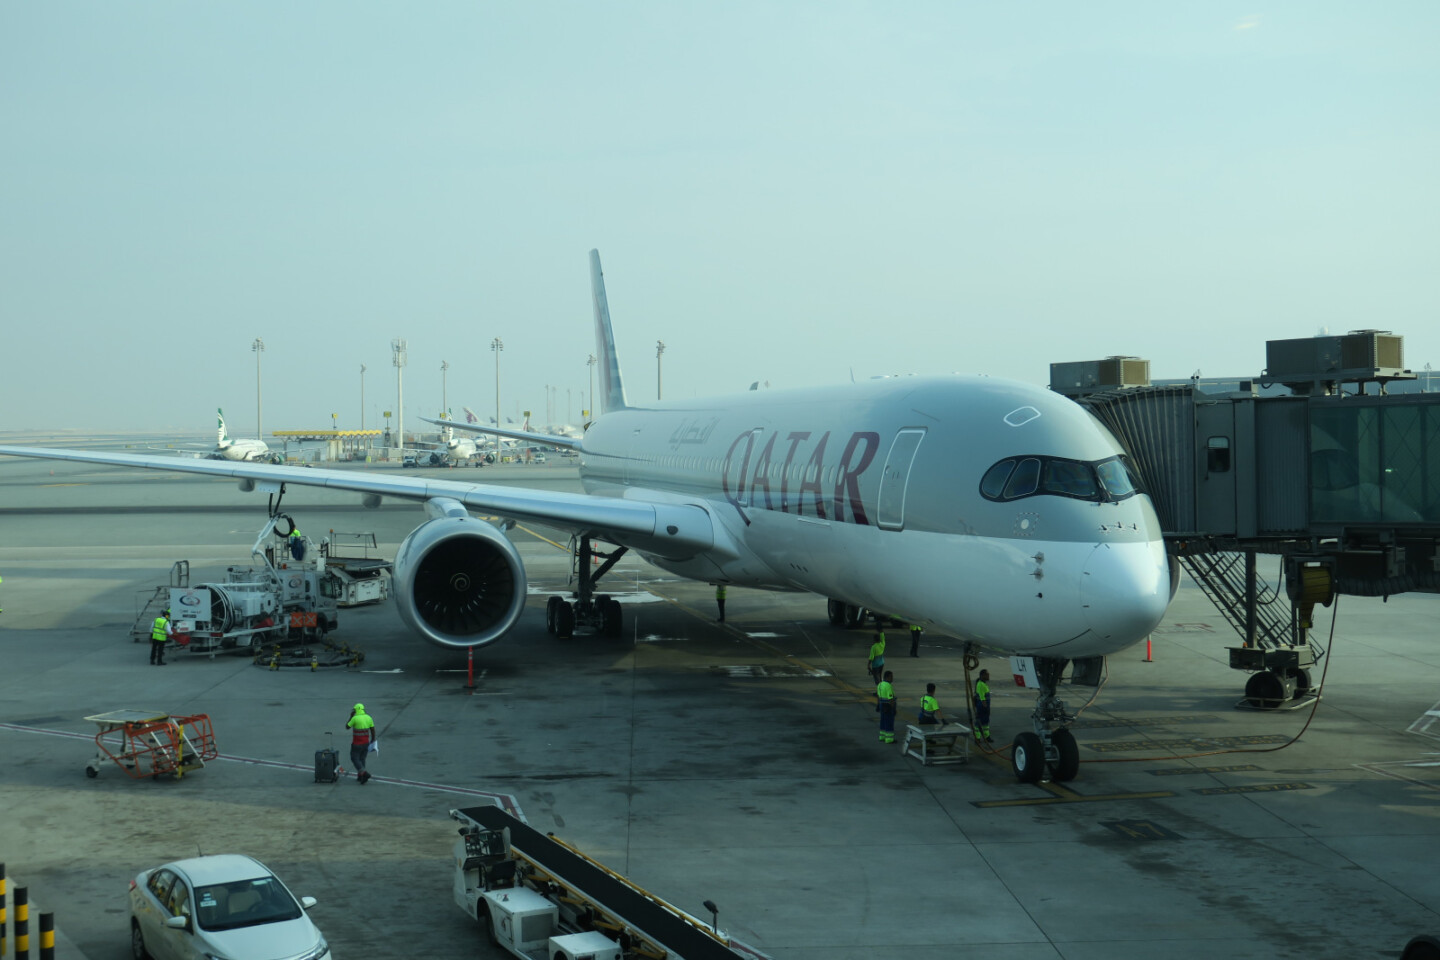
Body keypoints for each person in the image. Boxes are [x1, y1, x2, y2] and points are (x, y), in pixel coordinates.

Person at [346, 703, 377, 784]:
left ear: (356, 710)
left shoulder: (355, 718)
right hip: (366, 743)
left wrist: (351, 716)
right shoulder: (368, 717)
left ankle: (364, 773)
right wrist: (373, 739)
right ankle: (361, 777)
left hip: (356, 743)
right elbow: (372, 729)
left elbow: (347, 727)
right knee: (362, 759)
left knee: (354, 758)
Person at [973, 669, 993, 744]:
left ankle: (987, 736)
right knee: (979, 722)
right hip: (982, 706)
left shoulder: (983, 684)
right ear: (982, 675)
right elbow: (982, 698)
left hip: (984, 706)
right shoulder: (980, 684)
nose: (988, 676)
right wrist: (986, 708)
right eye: (987, 674)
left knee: (985, 722)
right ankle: (977, 738)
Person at [876, 670, 897, 743]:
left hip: (882, 705)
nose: (892, 678)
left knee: (883, 721)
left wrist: (878, 705)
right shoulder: (888, 686)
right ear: (887, 677)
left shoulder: (880, 685)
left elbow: (878, 696)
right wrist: (893, 708)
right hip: (888, 706)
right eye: (891, 677)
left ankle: (882, 736)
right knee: (889, 722)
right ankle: (889, 739)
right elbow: (890, 698)